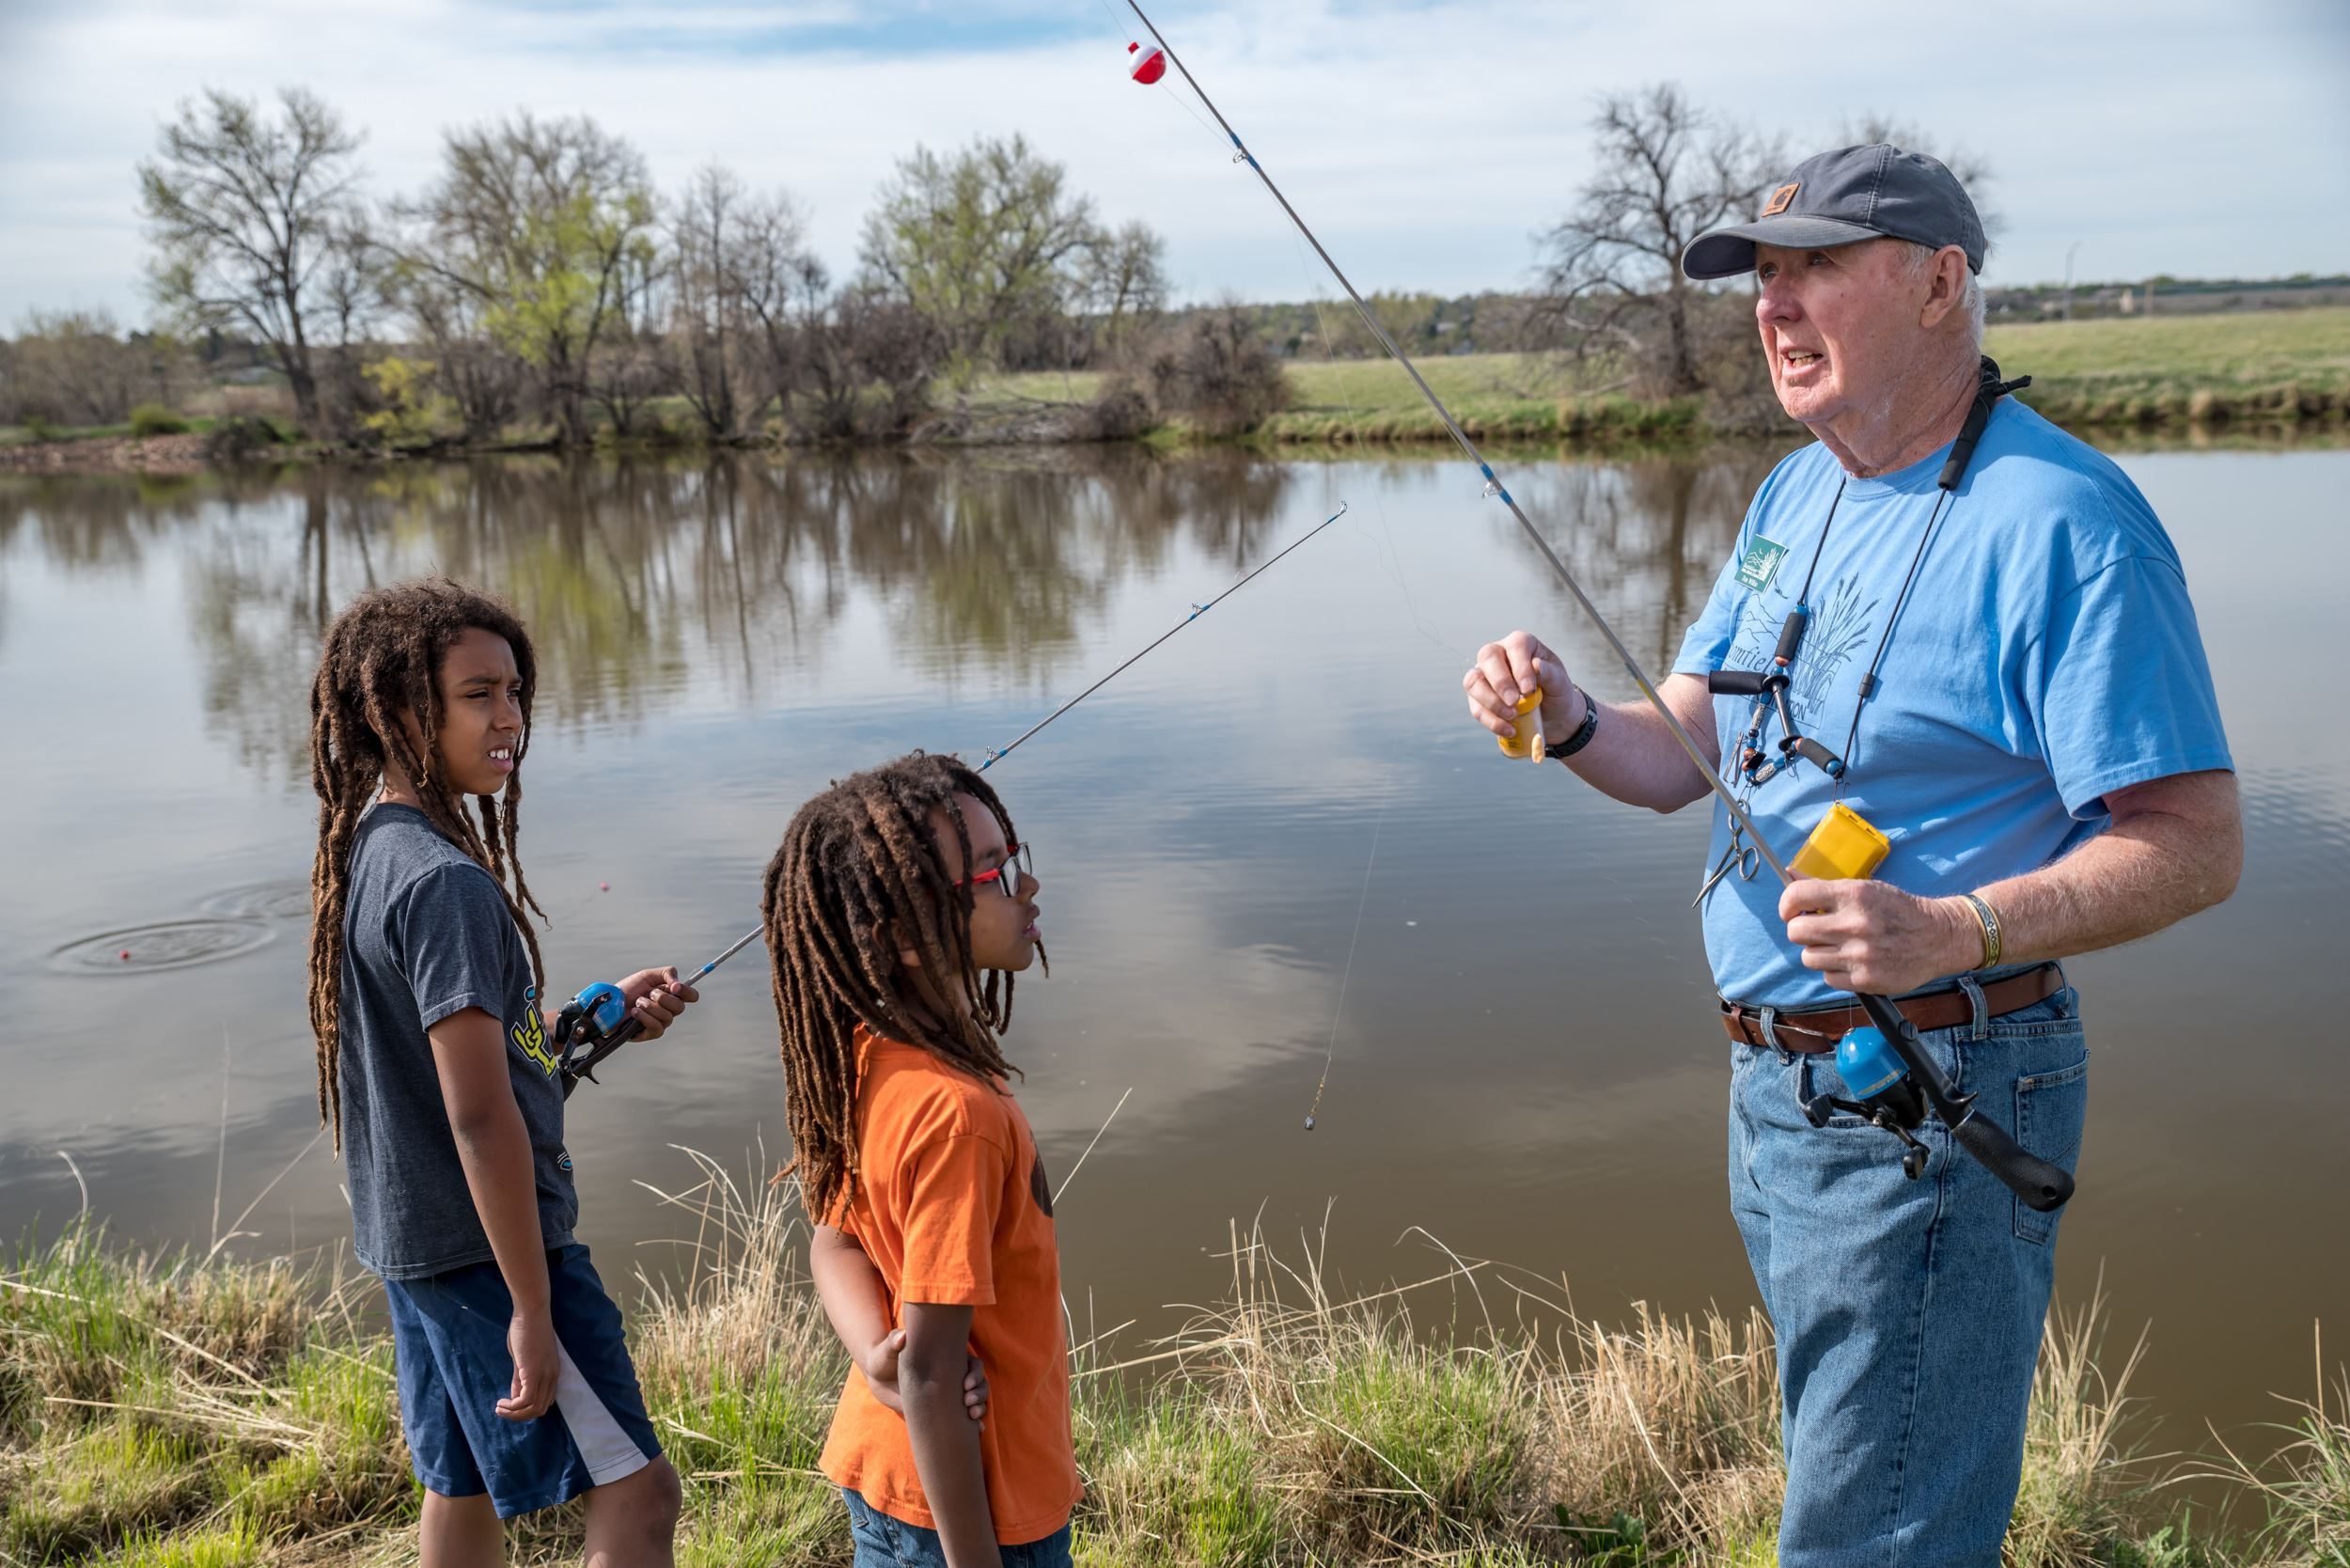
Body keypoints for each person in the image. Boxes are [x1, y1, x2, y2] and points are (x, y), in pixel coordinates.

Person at [1462, 145, 2240, 1564]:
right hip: (1779, 1089)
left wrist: (1959, 929)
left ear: (1943, 284)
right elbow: (1676, 758)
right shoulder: (1791, 497)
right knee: (1866, 1493)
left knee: (1875, 1536)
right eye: (1764, 277)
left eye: (1819, 267)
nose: (1775, 307)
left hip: (1935, 1091)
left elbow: (2193, 846)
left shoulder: (2066, 523)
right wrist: (1566, 718)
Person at [307, 578, 700, 1568]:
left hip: (420, 1244)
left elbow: (458, 1051)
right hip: (490, 1254)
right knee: (642, 1495)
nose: (510, 718)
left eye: (516, 692)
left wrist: (583, 1024)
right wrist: (531, 1306)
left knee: (462, 1487)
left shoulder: (382, 845)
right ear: (396, 710)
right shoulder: (445, 883)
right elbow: (480, 1120)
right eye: (478, 694)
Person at [762, 752, 1078, 1568]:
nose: (1025, 891)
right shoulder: (958, 1117)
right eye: (991, 875)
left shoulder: (870, 1060)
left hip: (889, 1474)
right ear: (901, 934)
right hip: (972, 1511)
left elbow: (833, 1242)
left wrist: (875, 1356)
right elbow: (935, 1375)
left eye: (1014, 862)